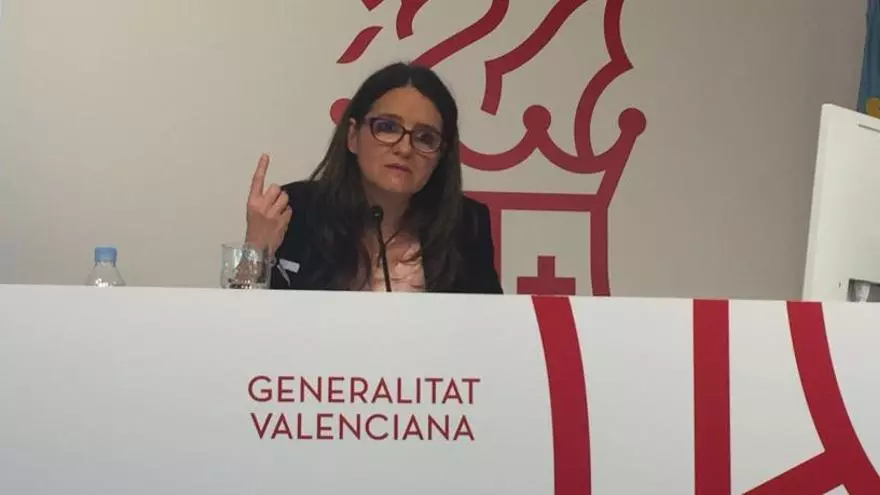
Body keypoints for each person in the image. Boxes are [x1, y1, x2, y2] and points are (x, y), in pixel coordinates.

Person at [243, 62, 502, 294]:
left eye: (425, 138)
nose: (405, 148)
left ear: (441, 155)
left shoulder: (465, 225)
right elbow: (241, 322)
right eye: (387, 127)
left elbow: (491, 324)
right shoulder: (295, 211)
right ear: (353, 136)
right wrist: (255, 251)